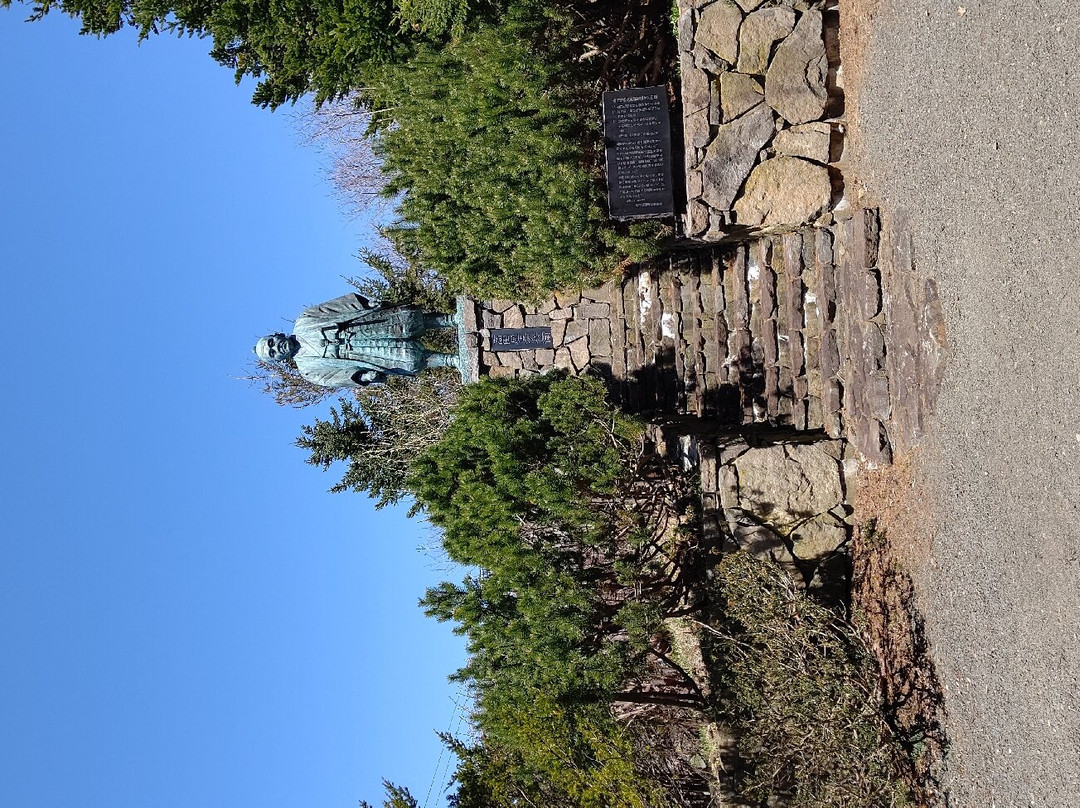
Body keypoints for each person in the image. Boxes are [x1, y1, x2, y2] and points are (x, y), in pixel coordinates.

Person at [254, 292, 457, 388]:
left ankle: (450, 320)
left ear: (276, 335)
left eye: (271, 342)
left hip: (363, 326)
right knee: (410, 359)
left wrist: (366, 304)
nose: (276, 348)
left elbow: (336, 307)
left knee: (408, 321)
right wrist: (361, 377)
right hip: (362, 355)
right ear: (279, 360)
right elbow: (333, 378)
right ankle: (452, 360)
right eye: (272, 353)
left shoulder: (305, 320)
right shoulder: (308, 369)